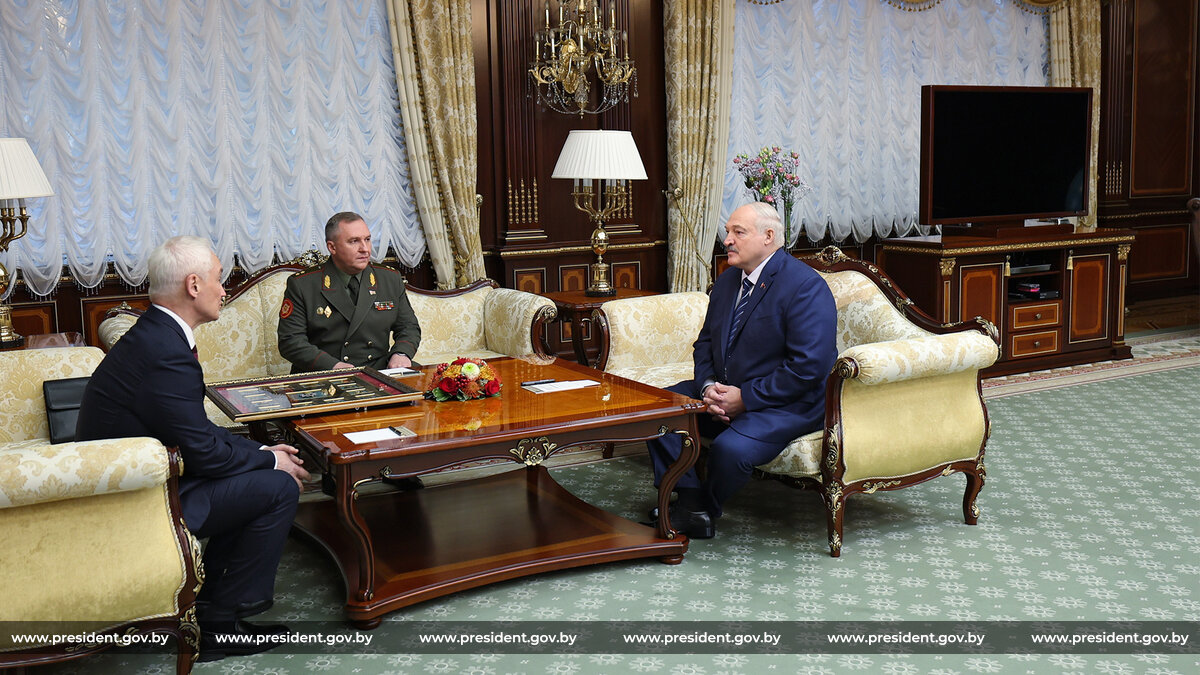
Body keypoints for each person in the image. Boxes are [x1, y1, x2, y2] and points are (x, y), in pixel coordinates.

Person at [76, 236, 310, 662]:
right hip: (138, 501)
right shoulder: (164, 350)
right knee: (278, 487)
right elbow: (203, 452)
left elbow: (195, 431)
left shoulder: (156, 335)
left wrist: (263, 452)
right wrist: (269, 459)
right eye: (219, 279)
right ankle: (219, 626)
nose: (224, 290)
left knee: (260, 472)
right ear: (194, 285)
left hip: (146, 481)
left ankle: (211, 613)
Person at [644, 202, 837, 539]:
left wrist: (745, 398)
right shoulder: (728, 281)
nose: (727, 240)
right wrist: (707, 386)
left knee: (731, 450)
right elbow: (705, 343)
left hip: (788, 403)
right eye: (727, 231)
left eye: (738, 232)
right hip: (725, 390)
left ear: (768, 236)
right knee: (658, 407)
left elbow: (809, 368)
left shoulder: (805, 286)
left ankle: (704, 505)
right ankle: (690, 502)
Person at [277, 211, 420, 373]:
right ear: (332, 247)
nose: (365, 249)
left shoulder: (389, 278)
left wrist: (401, 354)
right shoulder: (303, 284)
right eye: (354, 241)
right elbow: (290, 341)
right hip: (326, 372)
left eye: (367, 239)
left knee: (429, 384)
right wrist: (333, 366)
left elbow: (408, 326)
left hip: (378, 369)